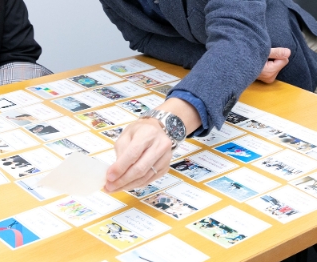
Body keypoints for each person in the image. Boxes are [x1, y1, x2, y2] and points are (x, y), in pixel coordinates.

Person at [100, 0, 317, 193]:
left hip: (290, 57)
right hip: (238, 69)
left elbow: (240, 37)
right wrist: (228, 60)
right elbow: (143, 37)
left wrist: (169, 121)